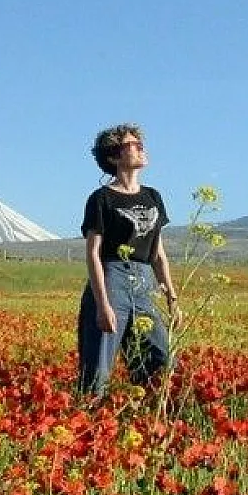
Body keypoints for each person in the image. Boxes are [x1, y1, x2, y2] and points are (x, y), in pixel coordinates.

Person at [77, 124, 182, 397]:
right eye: (132, 145)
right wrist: (102, 305)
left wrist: (172, 299)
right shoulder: (101, 199)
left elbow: (158, 253)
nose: (140, 148)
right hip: (112, 279)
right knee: (98, 365)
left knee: (162, 360)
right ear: (113, 156)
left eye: (140, 143)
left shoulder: (153, 197)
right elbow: (93, 254)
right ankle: (91, 418)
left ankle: (149, 419)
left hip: (145, 281)